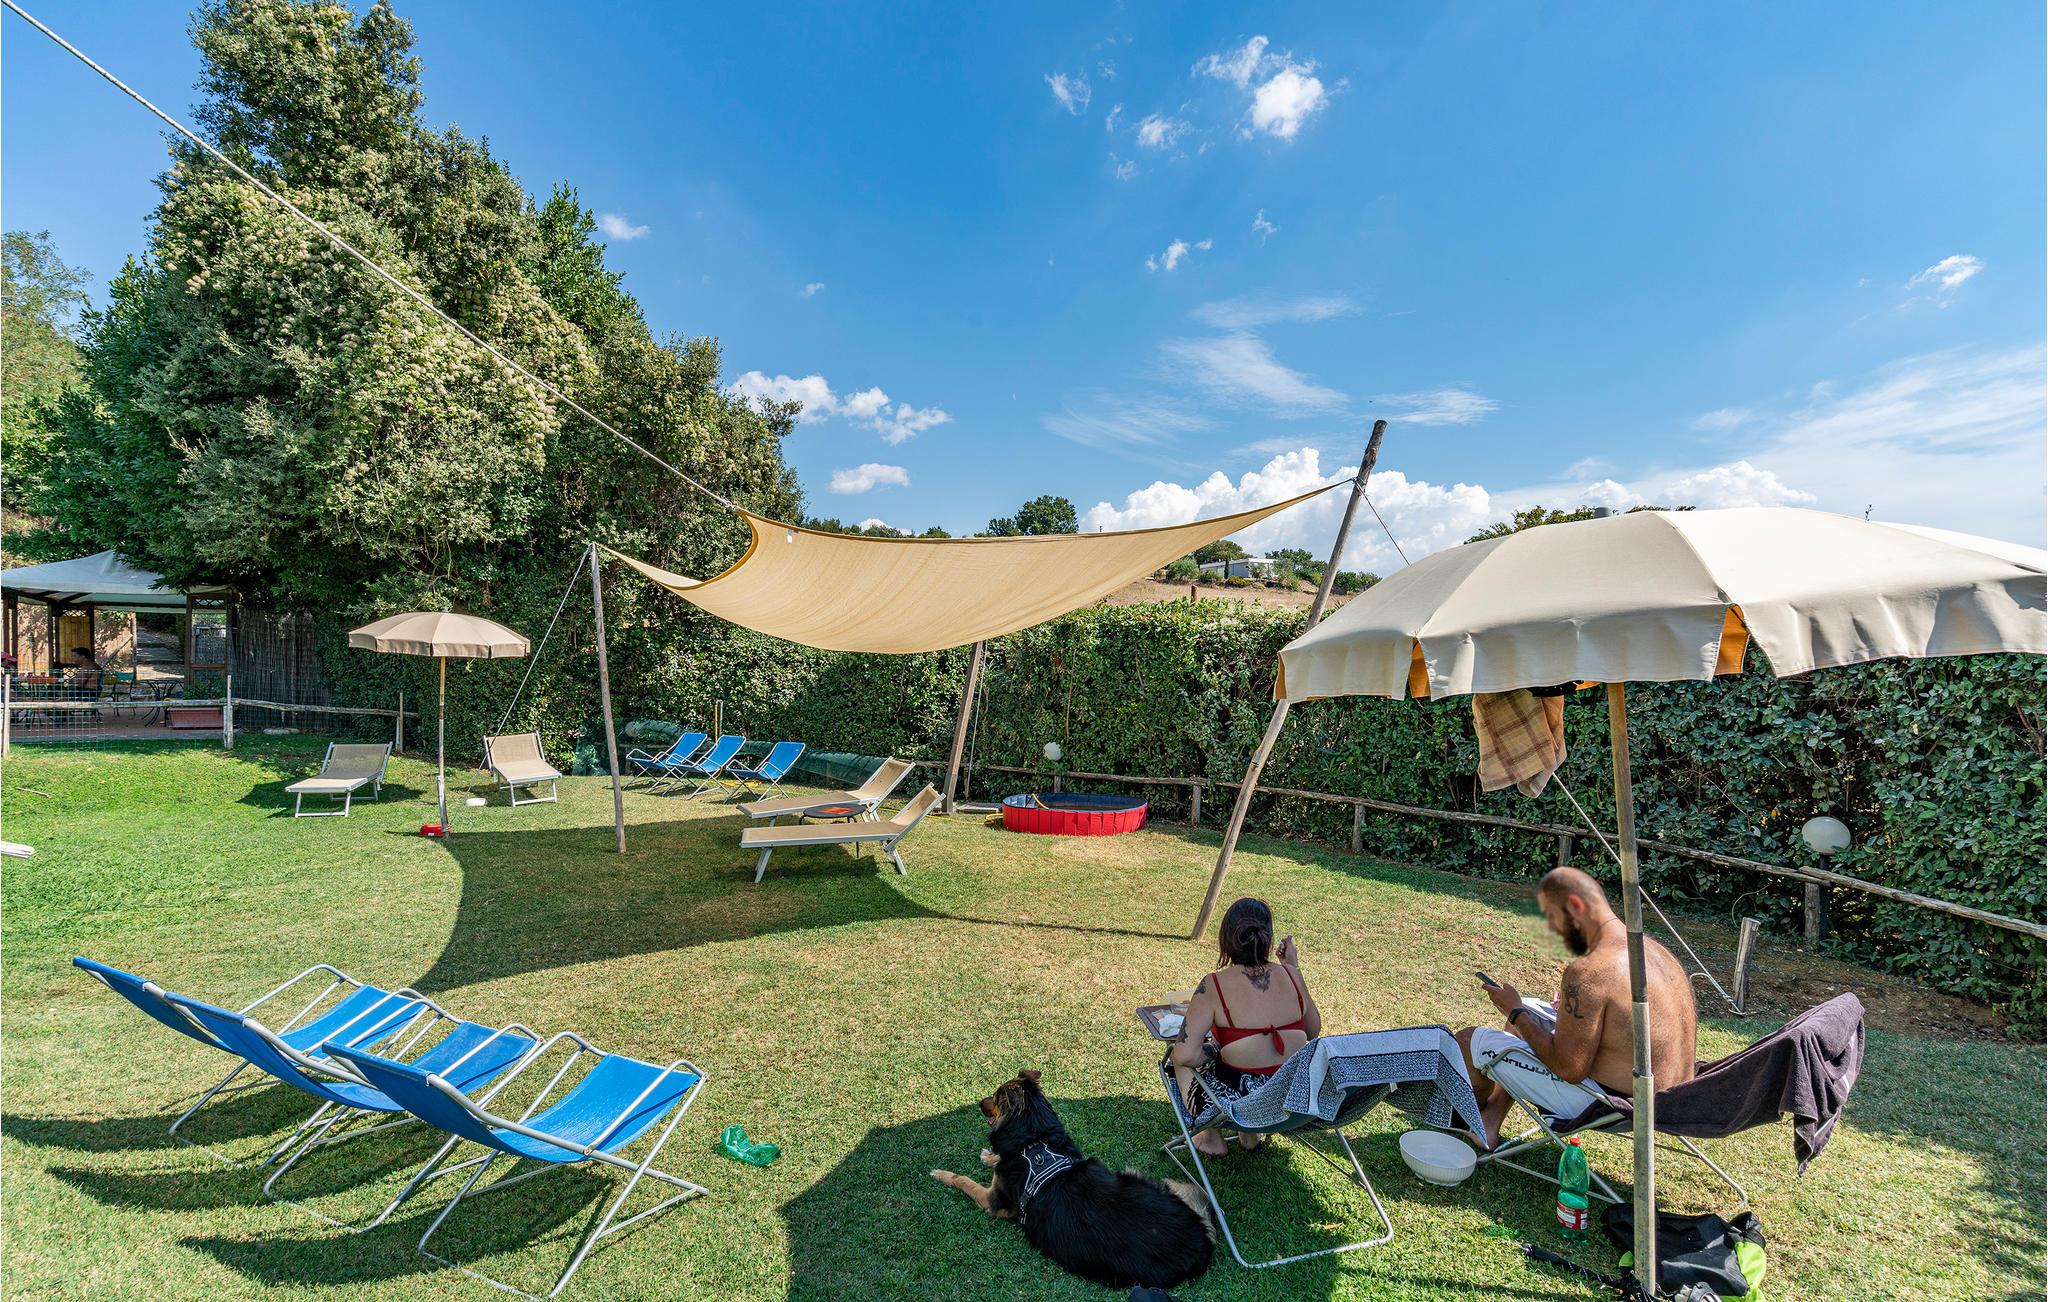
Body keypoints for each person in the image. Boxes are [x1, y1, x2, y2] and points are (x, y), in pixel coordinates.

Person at [1454, 866, 1698, 1149]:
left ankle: (1470, 1119)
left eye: (1552, 917)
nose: (1552, 930)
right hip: (1671, 1098)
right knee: (1531, 1009)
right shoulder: (1658, 954)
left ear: (1575, 906)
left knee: (1469, 1040)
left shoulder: (1590, 970)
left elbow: (1569, 1069)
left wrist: (1515, 1013)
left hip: (1614, 1105)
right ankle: (1491, 1120)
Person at [1170, 897, 1322, 1156]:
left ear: (1227, 938)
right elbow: (1312, 1031)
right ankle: (1249, 1137)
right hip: (1291, 1096)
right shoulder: (1291, 975)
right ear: (1267, 937)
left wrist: (1216, 1049)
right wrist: (1293, 967)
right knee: (1242, 1062)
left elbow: (1185, 1055)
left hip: (1242, 1107)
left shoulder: (1214, 985)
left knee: (1178, 1057)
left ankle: (1209, 1136)